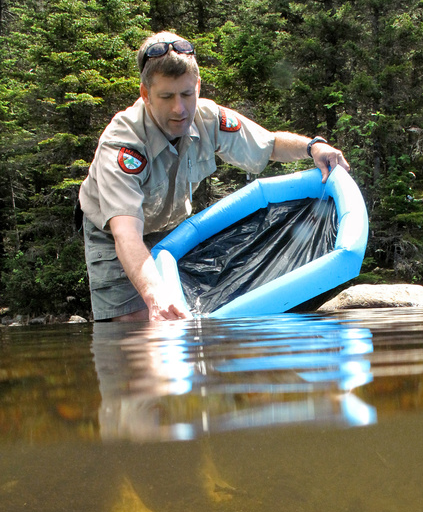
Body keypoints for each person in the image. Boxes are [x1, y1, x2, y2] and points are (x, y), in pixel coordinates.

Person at [79, 31, 350, 322]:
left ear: (198, 85)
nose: (179, 109)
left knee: (185, 321)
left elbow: (268, 144)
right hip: (115, 235)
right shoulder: (122, 145)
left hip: (172, 232)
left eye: (186, 94)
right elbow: (126, 235)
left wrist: (313, 147)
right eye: (167, 97)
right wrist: (155, 295)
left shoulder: (208, 118)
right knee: (138, 327)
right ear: (145, 95)